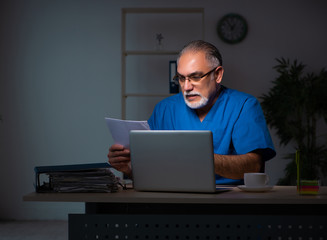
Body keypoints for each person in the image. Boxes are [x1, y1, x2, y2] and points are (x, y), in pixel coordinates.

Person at [108, 40, 276, 184]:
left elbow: (254, 166)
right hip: (172, 200)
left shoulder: (243, 105)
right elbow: (153, 169)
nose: (186, 87)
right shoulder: (165, 109)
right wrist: (130, 168)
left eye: (195, 77)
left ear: (217, 75)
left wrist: (198, 157)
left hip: (227, 203)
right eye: (181, 78)